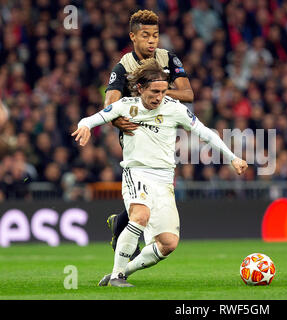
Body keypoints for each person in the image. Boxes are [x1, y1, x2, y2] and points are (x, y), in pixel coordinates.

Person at [72, 59, 248, 287]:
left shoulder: (174, 109)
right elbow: (93, 118)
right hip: (136, 172)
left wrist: (232, 157)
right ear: (141, 88)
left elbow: (205, 133)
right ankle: (116, 277)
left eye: (164, 91)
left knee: (168, 244)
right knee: (140, 216)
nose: (159, 97)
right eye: (155, 91)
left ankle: (122, 272)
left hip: (164, 179)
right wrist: (85, 125)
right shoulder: (126, 105)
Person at [105, 10, 194, 260]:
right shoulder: (124, 66)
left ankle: (120, 222)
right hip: (137, 133)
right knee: (146, 184)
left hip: (163, 131)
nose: (152, 41)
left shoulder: (168, 58)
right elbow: (109, 103)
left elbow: (188, 94)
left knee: (152, 189)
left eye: (155, 35)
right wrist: (116, 121)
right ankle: (126, 235)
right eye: (146, 36)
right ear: (133, 36)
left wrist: (159, 93)